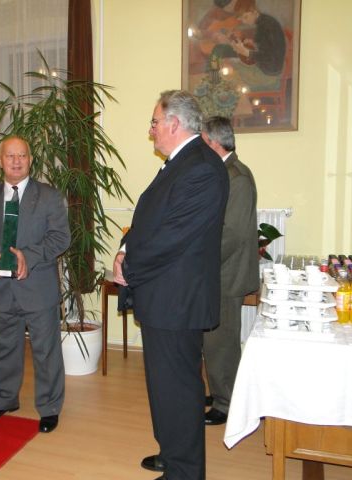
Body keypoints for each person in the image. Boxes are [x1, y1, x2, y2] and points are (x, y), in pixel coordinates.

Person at [113, 90, 229, 480]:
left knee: (178, 388)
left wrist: (129, 266)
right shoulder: (181, 163)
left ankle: (184, 471)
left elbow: (173, 237)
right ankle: (172, 451)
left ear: (174, 124)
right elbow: (150, 219)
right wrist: (124, 249)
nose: (151, 131)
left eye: (154, 122)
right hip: (164, 295)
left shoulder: (201, 167)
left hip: (178, 300)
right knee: (164, 385)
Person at [0, 136, 70, 434]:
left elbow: (60, 238)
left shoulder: (49, 196)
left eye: (22, 155)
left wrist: (28, 256)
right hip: (1, 289)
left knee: (45, 351)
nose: (16, 161)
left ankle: (49, 407)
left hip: (38, 286)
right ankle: (5, 399)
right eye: (10, 156)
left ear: (30, 160)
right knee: (4, 347)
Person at [201, 116, 259, 426]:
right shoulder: (224, 172)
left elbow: (232, 234)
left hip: (227, 274)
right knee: (212, 340)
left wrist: (199, 261)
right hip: (219, 270)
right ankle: (218, 392)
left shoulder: (236, 177)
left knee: (221, 342)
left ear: (213, 143)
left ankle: (226, 403)